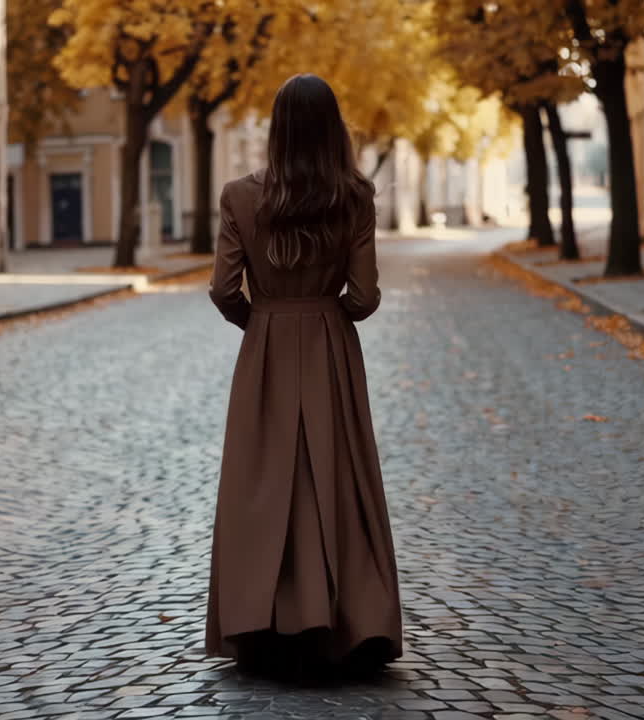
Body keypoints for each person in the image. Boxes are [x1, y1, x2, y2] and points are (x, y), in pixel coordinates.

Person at [205, 74, 403, 679]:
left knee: (262, 484)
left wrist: (263, 322)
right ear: (333, 127)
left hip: (265, 346)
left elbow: (221, 290)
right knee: (337, 481)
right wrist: (325, 318)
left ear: (276, 128)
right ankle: (350, 623)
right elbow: (364, 296)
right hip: (329, 347)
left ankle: (262, 627)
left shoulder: (240, 196)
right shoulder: (356, 195)